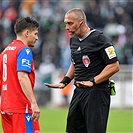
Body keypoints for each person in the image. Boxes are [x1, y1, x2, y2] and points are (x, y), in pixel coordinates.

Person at [45, 8, 120, 133]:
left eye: (70, 23)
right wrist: (65, 81)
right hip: (79, 91)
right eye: (65, 23)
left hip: (97, 92)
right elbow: (76, 62)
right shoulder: (73, 40)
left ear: (81, 22)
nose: (66, 27)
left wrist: (93, 81)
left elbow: (114, 65)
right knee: (73, 129)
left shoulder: (100, 39)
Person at [0, 17, 40, 133]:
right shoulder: (24, 50)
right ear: (27, 33)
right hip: (21, 107)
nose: (37, 38)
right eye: (35, 34)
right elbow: (22, 76)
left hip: (6, 106)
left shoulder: (5, 51)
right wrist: (33, 103)